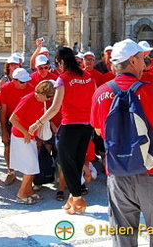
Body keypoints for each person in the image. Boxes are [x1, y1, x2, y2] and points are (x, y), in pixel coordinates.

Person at [90, 39, 153, 247]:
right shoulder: (152, 92)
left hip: (117, 172)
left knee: (123, 238)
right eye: (143, 59)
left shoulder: (100, 93)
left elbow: (99, 130)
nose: (146, 63)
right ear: (132, 61)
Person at [28, 47, 96, 214]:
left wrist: (37, 123)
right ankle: (72, 199)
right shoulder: (89, 77)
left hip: (70, 125)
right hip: (86, 126)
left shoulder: (62, 79)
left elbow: (54, 108)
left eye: (57, 63)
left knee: (66, 163)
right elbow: (94, 101)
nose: (57, 67)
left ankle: (78, 199)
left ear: (63, 62)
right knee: (77, 162)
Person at [10, 80, 56, 204]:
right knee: (30, 167)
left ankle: (29, 191)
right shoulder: (28, 99)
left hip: (30, 137)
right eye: (48, 96)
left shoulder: (41, 101)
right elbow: (12, 119)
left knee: (34, 166)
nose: (48, 99)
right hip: (21, 136)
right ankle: (21, 194)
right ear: (41, 92)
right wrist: (25, 132)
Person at [0, 68, 34, 185]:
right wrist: (4, 130)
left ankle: (27, 172)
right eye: (22, 82)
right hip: (10, 120)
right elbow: (3, 111)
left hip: (26, 122)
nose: (25, 84)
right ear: (14, 80)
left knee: (27, 147)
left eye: (26, 81)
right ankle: (11, 171)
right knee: (7, 146)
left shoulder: (31, 88)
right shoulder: (6, 89)